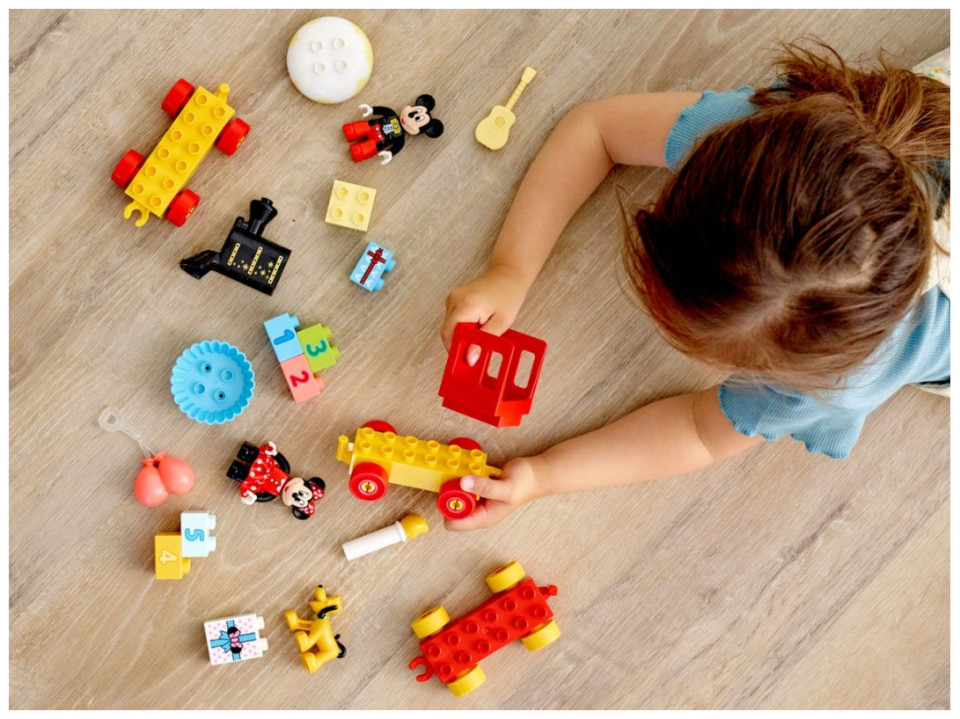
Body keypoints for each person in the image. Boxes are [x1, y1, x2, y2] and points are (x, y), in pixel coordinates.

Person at [440, 43, 950, 531]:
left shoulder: (838, 379)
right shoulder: (763, 152)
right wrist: (510, 269)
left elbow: (699, 431)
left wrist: (546, 475)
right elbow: (595, 131)